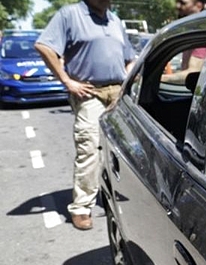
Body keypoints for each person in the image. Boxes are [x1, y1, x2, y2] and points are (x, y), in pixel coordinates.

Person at [35, 0, 136, 230]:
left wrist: (127, 80)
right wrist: (67, 81)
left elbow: (129, 57)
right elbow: (44, 46)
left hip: (117, 93)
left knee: (120, 148)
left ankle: (109, 190)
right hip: (90, 93)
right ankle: (81, 208)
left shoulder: (115, 20)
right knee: (89, 148)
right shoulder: (70, 15)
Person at [161, 0, 206, 84]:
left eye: (183, 3)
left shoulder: (201, 33)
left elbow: (192, 73)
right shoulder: (192, 31)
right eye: (177, 2)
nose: (177, 6)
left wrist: (161, 78)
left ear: (198, 6)